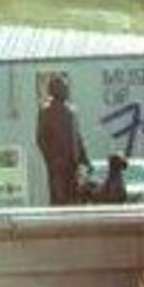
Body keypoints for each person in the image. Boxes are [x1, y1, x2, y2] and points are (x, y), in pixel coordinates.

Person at [36, 75, 91, 206]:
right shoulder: (45, 111)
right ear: (54, 90)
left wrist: (83, 158)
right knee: (58, 196)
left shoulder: (71, 111)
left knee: (73, 196)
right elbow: (41, 138)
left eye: (66, 87)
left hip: (73, 163)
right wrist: (51, 158)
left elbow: (77, 137)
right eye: (63, 88)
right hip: (57, 164)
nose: (66, 91)